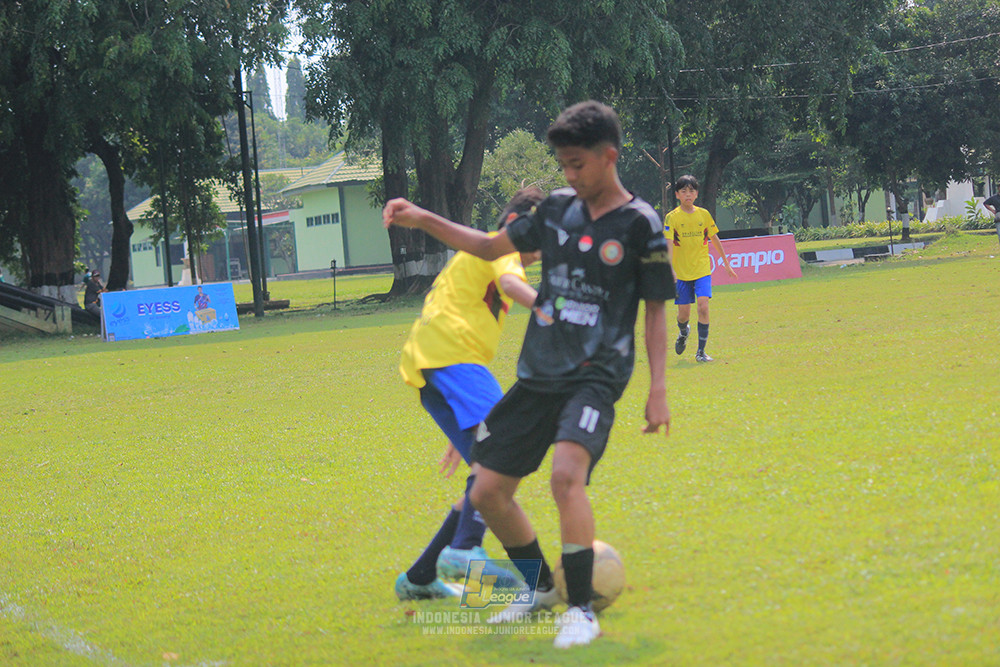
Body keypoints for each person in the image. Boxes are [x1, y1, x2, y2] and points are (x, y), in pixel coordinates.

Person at [384, 100, 674, 648]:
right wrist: (421, 217)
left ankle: (581, 610)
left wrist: (658, 389)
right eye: (562, 165)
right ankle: (541, 589)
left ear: (609, 156)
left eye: (577, 164)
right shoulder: (557, 210)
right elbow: (490, 245)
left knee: (567, 476)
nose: (569, 176)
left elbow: (656, 312)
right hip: (539, 372)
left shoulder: (641, 225)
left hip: (597, 373)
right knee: (489, 491)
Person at [394, 188, 543, 602]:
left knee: (484, 469)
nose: (542, 250)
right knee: (500, 457)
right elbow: (512, 284)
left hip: (432, 364)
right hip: (453, 358)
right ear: (518, 227)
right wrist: (550, 305)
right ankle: (463, 552)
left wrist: (462, 432)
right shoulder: (504, 249)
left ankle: (420, 578)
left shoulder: (479, 252)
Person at [663, 175, 737, 363]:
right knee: (683, 315)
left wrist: (726, 263)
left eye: (692, 191)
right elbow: (668, 243)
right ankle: (683, 332)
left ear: (696, 194)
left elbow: (714, 238)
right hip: (681, 273)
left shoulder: (704, 215)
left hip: (702, 269)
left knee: (703, 307)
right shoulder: (672, 218)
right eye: (684, 191)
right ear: (677, 194)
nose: (688, 194)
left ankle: (701, 352)